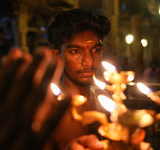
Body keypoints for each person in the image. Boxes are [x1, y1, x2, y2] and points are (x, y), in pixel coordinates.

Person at [44, 9, 111, 149]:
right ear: (57, 56)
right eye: (75, 51)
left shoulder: (105, 99)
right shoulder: (47, 109)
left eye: (96, 50)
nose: (89, 62)